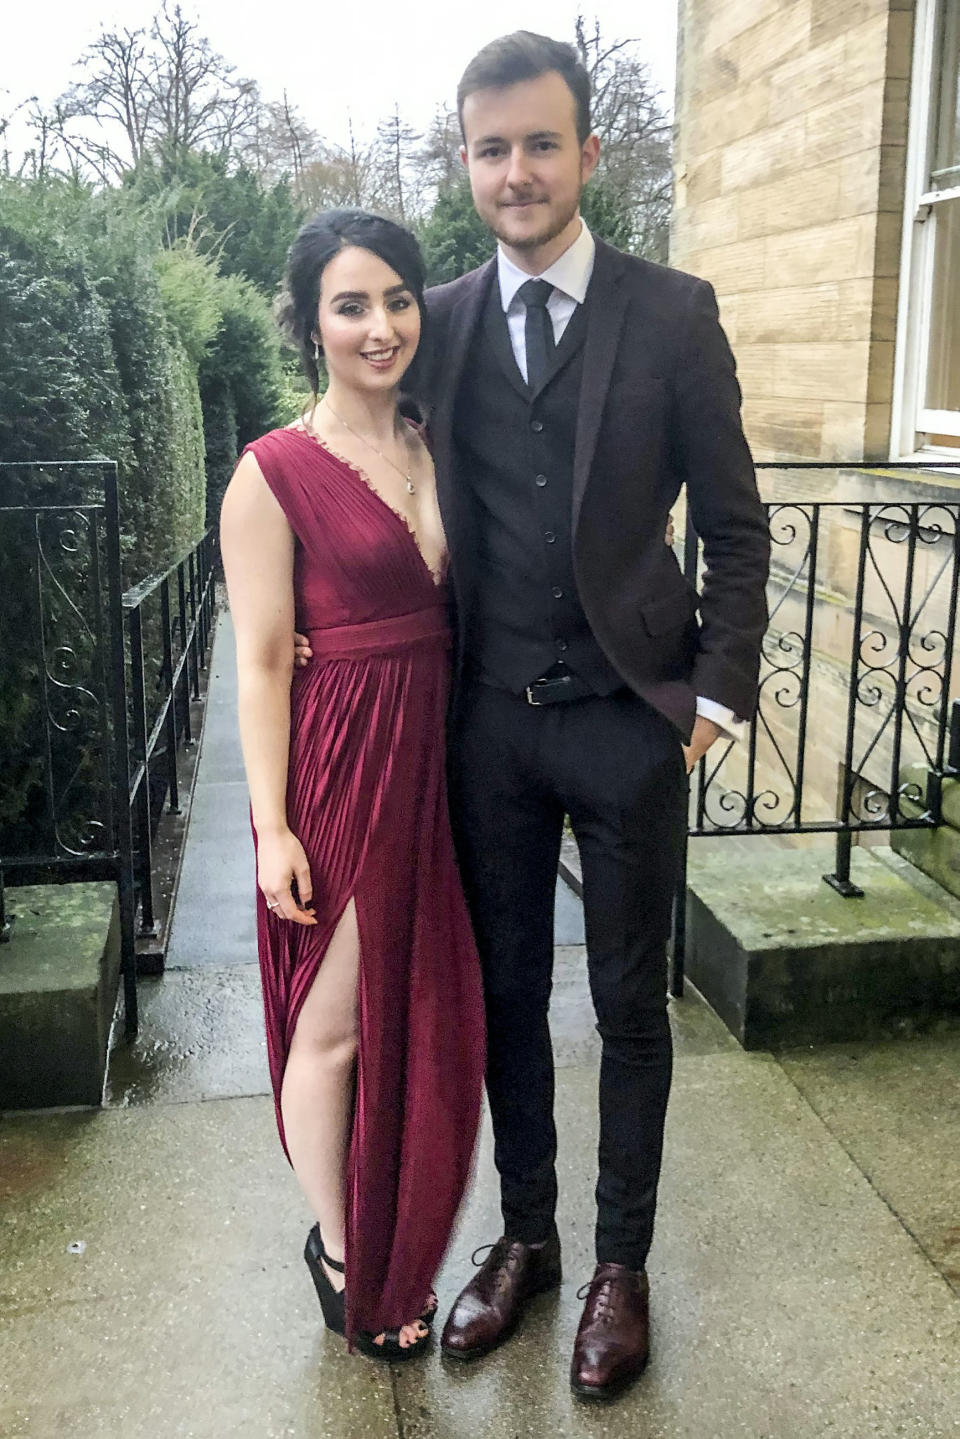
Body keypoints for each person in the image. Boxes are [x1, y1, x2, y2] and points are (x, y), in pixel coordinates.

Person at [296, 31, 769, 1402]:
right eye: (493, 148)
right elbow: (350, 453)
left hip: (630, 717)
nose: (517, 171)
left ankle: (621, 1262)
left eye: (541, 144)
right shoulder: (431, 320)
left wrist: (714, 696)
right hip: (484, 726)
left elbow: (737, 528)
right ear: (467, 161)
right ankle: (532, 1235)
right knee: (502, 993)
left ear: (587, 154)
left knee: (629, 1003)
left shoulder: (674, 314)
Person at [220, 210, 485, 1362]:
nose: (379, 326)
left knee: (425, 1020)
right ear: (309, 320)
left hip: (451, 758)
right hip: (347, 765)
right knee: (331, 1032)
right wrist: (272, 822)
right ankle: (340, 1244)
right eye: (349, 304)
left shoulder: (443, 441)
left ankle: (396, 1220)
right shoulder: (271, 474)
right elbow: (266, 658)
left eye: (396, 299)